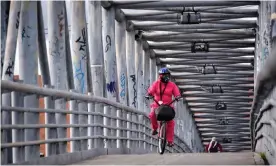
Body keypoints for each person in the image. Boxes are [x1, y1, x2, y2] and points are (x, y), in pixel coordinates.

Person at [146, 67, 181, 147]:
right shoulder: (156, 84)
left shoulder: (172, 85)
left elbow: (177, 93)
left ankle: (169, 141)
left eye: (167, 75)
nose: (166, 77)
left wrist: (177, 96)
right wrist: (149, 94)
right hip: (157, 104)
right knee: (152, 115)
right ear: (160, 76)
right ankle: (155, 129)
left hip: (168, 105)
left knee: (171, 122)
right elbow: (151, 90)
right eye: (164, 75)